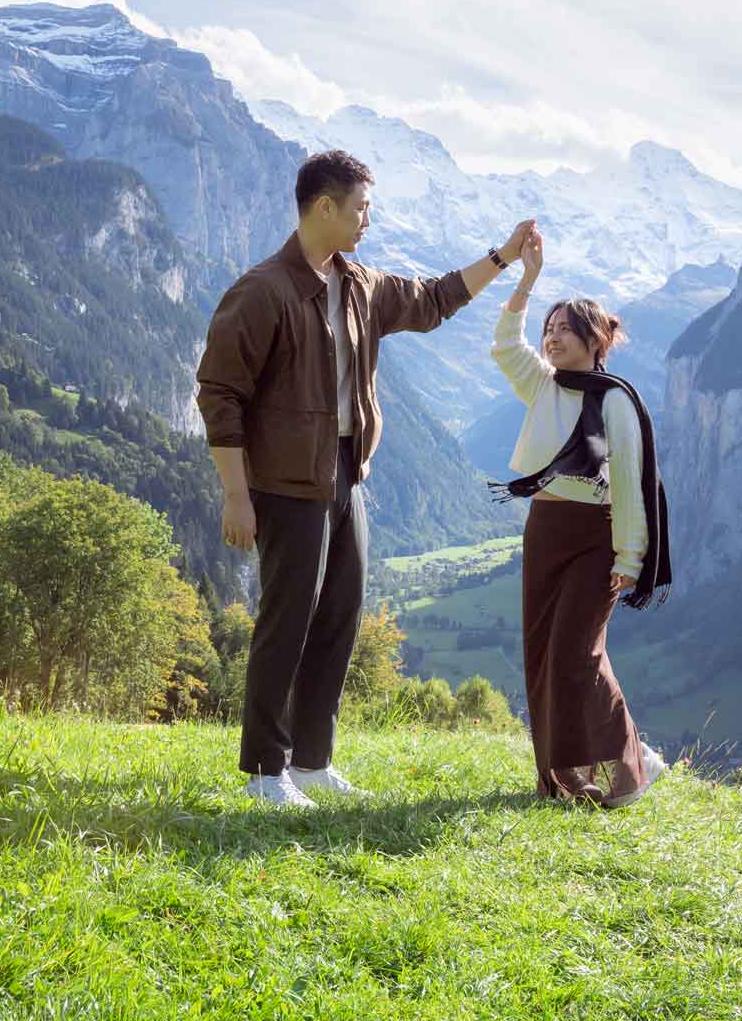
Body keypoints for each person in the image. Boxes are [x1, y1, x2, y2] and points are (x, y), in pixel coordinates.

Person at [197, 148, 535, 808]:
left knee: (340, 614)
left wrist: (503, 257)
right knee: (287, 619)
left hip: (346, 474)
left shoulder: (359, 285)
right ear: (324, 206)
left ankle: (313, 760)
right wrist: (236, 494)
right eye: (361, 209)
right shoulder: (264, 290)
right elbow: (219, 394)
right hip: (285, 485)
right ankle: (267, 772)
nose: (367, 222)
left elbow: (435, 301)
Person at [488, 229, 673, 806]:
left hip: (596, 537)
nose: (552, 337)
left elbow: (627, 485)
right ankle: (564, 780)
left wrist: (629, 557)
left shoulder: (614, 399)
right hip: (545, 529)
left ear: (595, 339)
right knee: (543, 651)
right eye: (549, 329)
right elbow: (503, 343)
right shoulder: (543, 386)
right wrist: (526, 281)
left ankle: (632, 766)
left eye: (565, 329)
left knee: (577, 651)